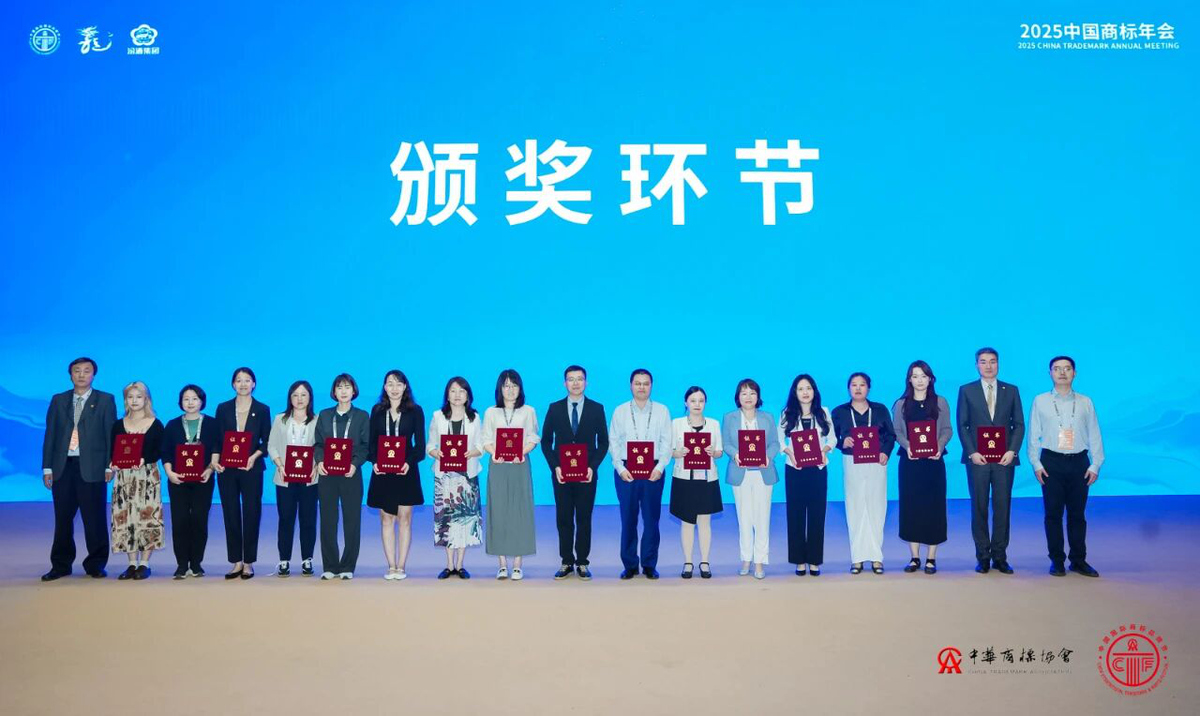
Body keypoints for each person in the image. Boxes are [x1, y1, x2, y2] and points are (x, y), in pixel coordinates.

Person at [1027, 356, 1104, 578]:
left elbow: (1094, 433)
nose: (1062, 373)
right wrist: (1036, 463)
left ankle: (1078, 560)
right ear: (1050, 373)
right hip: (1051, 462)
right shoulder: (1040, 400)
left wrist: (1096, 464)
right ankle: (1057, 560)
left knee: (1077, 514)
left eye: (1067, 368)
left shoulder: (1085, 402)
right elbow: (1034, 434)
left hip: (1079, 462)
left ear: (1074, 373)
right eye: (1057, 369)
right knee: (1053, 514)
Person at [41, 357, 117, 581]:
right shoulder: (59, 400)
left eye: (86, 371)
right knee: (62, 519)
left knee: (94, 519)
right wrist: (47, 468)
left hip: (92, 467)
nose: (81, 375)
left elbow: (110, 434)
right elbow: (50, 434)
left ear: (94, 375)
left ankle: (95, 564)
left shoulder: (105, 400)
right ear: (70, 374)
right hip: (63, 467)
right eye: (77, 371)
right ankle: (60, 565)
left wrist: (109, 464)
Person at [955, 347, 1025, 575]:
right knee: (979, 507)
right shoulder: (967, 390)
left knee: (1003, 507)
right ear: (976, 365)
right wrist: (972, 452)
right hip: (978, 460)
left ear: (998, 364)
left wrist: (1012, 451)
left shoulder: (1011, 390)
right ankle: (983, 556)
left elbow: (1019, 424)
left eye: (992, 361)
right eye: (983, 361)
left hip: (1004, 459)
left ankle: (1000, 556)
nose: (988, 366)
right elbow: (963, 424)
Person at [541, 365, 609, 580]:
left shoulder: (596, 408)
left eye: (580, 379)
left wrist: (592, 467)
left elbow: (604, 442)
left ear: (586, 382)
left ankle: (582, 562)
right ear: (565, 383)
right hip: (561, 475)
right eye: (571, 379)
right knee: (563, 518)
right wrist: (556, 467)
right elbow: (546, 442)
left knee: (584, 518)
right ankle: (566, 561)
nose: (576, 383)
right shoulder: (554, 408)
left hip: (586, 475)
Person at [609, 369, 673, 580]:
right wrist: (620, 468)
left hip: (653, 470)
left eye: (646, 383)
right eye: (638, 383)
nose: (642, 387)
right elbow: (614, 442)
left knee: (651, 519)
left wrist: (660, 467)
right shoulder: (620, 411)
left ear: (651, 386)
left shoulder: (662, 410)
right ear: (631, 385)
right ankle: (629, 565)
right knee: (628, 519)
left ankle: (649, 564)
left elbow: (667, 441)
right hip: (626, 470)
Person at [832, 372, 896, 575]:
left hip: (877, 462)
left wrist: (885, 452)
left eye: (862, 384)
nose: (858, 388)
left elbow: (891, 435)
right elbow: (830, 438)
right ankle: (857, 558)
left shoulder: (880, 409)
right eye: (854, 384)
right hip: (852, 462)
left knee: (877, 506)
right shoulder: (840, 412)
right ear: (848, 388)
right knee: (855, 507)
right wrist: (842, 442)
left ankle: (877, 557)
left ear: (869, 388)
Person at [891, 361, 951, 575]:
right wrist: (908, 446)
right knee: (911, 507)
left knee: (934, 507)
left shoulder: (940, 402)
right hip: (910, 463)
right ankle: (914, 557)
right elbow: (897, 431)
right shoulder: (901, 404)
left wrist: (939, 446)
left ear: (930, 379)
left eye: (923, 376)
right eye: (915, 376)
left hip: (934, 462)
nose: (919, 380)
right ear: (909, 379)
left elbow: (947, 429)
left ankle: (931, 558)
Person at [367, 370, 426, 581]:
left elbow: (420, 447)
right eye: (390, 384)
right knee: (386, 518)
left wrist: (408, 463)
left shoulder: (415, 411)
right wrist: (374, 462)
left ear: (405, 387)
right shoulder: (377, 411)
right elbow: (371, 443)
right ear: (384, 387)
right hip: (383, 472)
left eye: (398, 384)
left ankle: (401, 566)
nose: (394, 388)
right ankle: (391, 565)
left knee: (405, 519)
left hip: (406, 471)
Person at [212, 367, 271, 579]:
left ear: (254, 384)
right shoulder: (223, 408)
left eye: (247, 380)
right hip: (227, 469)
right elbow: (217, 439)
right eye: (238, 380)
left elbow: (267, 440)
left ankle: (249, 562)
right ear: (233, 384)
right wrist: (215, 460)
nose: (243, 384)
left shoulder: (262, 409)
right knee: (230, 513)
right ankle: (236, 561)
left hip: (251, 468)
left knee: (252, 513)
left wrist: (253, 457)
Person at [482, 369, 540, 580]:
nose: (510, 390)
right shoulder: (491, 412)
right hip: (497, 466)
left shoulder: (528, 411)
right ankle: (501, 564)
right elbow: (486, 439)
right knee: (498, 511)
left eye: (514, 385)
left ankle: (517, 564)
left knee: (520, 511)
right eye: (506, 385)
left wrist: (521, 452)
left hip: (519, 465)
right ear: (500, 389)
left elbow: (533, 437)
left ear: (520, 388)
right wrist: (494, 453)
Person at [778, 374, 835, 577]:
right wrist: (790, 453)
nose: (805, 392)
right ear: (795, 392)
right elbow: (779, 440)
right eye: (801, 388)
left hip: (818, 469)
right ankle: (799, 560)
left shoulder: (823, 412)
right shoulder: (787, 413)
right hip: (795, 469)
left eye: (808, 388)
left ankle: (814, 560)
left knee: (817, 514)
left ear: (814, 391)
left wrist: (824, 451)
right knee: (795, 514)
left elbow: (832, 438)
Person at [314, 373, 370, 580]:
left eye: (347, 387)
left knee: (352, 520)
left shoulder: (362, 416)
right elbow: (318, 444)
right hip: (327, 475)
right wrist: (319, 461)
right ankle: (330, 565)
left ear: (354, 391)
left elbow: (365, 446)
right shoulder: (324, 415)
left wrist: (355, 464)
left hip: (350, 474)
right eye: (339, 387)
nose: (343, 391)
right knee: (328, 520)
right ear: (334, 392)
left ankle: (347, 565)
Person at [722, 378, 780, 579]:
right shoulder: (729, 417)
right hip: (741, 472)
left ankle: (760, 561)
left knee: (762, 518)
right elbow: (726, 443)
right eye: (744, 393)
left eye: (752, 393)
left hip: (763, 473)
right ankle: (746, 558)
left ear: (758, 397)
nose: (748, 397)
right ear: (738, 396)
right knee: (744, 517)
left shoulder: (767, 417)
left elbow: (774, 443)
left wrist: (768, 456)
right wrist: (735, 455)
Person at [428, 376, 484, 579]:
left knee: (465, 520)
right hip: (445, 477)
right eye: (453, 391)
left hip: (467, 477)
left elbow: (481, 445)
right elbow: (430, 445)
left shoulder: (475, 417)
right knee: (446, 520)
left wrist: (472, 452)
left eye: (462, 391)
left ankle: (460, 565)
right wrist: (436, 453)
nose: (457, 395)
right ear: (447, 394)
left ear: (468, 395)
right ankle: (449, 564)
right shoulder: (438, 416)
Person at [160, 385, 219, 579]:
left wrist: (210, 470)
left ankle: (196, 563)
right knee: (180, 521)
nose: (190, 402)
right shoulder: (172, 425)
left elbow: (217, 449)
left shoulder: (212, 424)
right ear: (180, 402)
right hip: (178, 481)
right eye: (186, 399)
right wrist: (169, 473)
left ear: (202, 401)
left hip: (203, 480)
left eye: (194, 398)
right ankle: (181, 564)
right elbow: (166, 452)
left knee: (199, 520)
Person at [109, 381, 165, 580]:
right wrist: (112, 463)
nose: (134, 401)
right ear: (125, 400)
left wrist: (144, 459)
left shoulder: (156, 424)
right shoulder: (118, 424)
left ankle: (145, 563)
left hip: (147, 477)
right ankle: (132, 563)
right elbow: (113, 450)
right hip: (124, 478)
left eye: (139, 397)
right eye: (130, 397)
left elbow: (160, 450)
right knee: (125, 518)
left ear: (146, 399)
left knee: (147, 518)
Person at [669, 386, 723, 579]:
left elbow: (720, 452)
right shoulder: (676, 423)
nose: (697, 404)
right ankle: (688, 562)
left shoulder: (714, 424)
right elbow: (668, 451)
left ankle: (705, 561)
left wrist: (713, 452)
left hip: (707, 479)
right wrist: (678, 453)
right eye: (693, 400)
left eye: (701, 400)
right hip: (684, 478)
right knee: (687, 522)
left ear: (705, 403)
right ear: (686, 403)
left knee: (705, 522)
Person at [267, 380, 319, 578]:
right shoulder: (280, 419)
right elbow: (271, 445)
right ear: (290, 398)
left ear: (310, 398)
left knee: (308, 520)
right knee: (286, 519)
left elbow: (321, 447)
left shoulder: (317, 420)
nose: (299, 399)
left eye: (303, 395)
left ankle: (307, 559)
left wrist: (316, 465)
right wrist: (280, 465)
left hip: (310, 479)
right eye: (295, 395)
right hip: (285, 478)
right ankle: (284, 560)